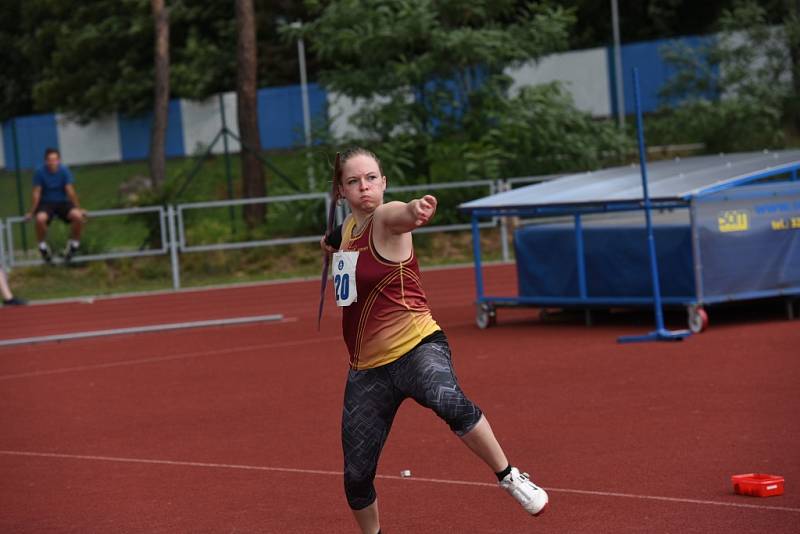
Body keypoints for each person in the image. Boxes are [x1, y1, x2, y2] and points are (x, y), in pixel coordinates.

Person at [320, 147, 548, 534]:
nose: (365, 188)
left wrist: (417, 210)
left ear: (384, 182)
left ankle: (509, 475)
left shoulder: (386, 219)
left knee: (447, 399)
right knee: (356, 477)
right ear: (341, 191)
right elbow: (336, 241)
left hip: (417, 346)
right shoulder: (346, 232)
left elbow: (402, 214)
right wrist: (330, 242)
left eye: (371, 178)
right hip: (367, 370)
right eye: (354, 182)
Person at [25, 148, 87, 263]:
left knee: (78, 217)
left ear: (59, 160)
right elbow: (36, 193)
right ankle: (42, 246)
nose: (52, 162)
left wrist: (78, 208)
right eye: (49, 160)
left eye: (55, 160)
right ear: (45, 161)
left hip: (62, 203)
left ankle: (74, 244)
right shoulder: (40, 172)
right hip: (46, 203)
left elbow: (70, 191)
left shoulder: (64, 171)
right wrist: (31, 212)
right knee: (40, 219)